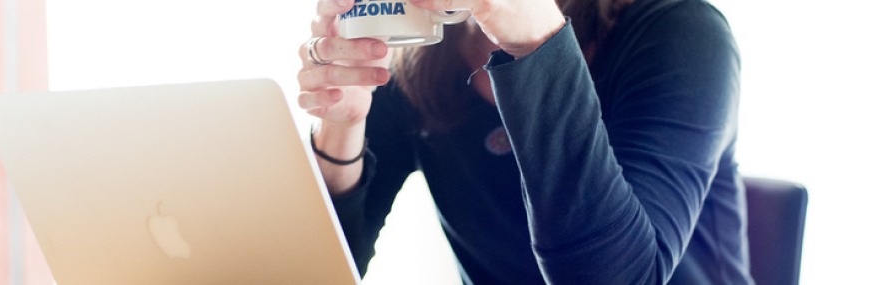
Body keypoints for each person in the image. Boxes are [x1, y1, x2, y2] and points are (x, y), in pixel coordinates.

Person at [296, 0, 747, 283]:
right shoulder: (421, 59)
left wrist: (538, 44)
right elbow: (315, 270)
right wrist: (341, 120)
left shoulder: (680, 32)